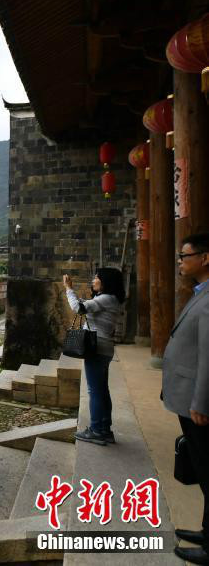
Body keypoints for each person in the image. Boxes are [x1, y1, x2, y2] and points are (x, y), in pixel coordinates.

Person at [162, 233, 209, 565]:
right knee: (203, 466)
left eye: (184, 255)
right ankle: (207, 530)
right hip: (187, 394)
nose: (180, 260)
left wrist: (202, 401)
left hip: (197, 401)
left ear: (205, 258)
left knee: (208, 468)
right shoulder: (200, 293)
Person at [63, 268, 125, 446]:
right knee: (102, 390)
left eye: (97, 277)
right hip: (104, 348)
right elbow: (88, 305)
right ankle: (105, 429)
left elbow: (78, 308)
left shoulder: (106, 298)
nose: (94, 279)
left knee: (95, 391)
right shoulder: (109, 299)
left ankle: (96, 430)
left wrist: (69, 288)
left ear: (106, 281)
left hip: (97, 348)